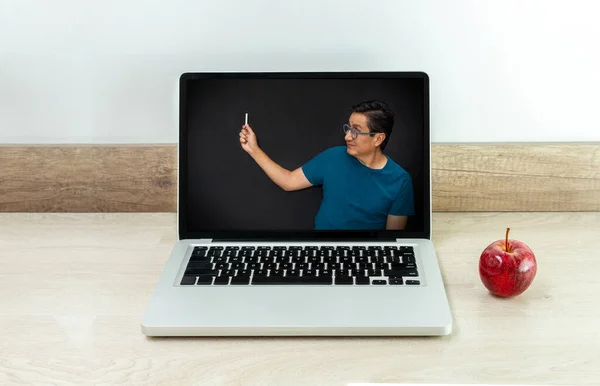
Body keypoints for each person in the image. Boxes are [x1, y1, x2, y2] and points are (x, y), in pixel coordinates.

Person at [238, 100, 415, 230]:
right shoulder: (333, 157)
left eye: (356, 130)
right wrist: (253, 149)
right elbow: (288, 181)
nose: (347, 137)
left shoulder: (400, 180)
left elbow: (393, 240)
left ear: (378, 138)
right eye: (348, 128)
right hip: (322, 247)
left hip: (365, 255)